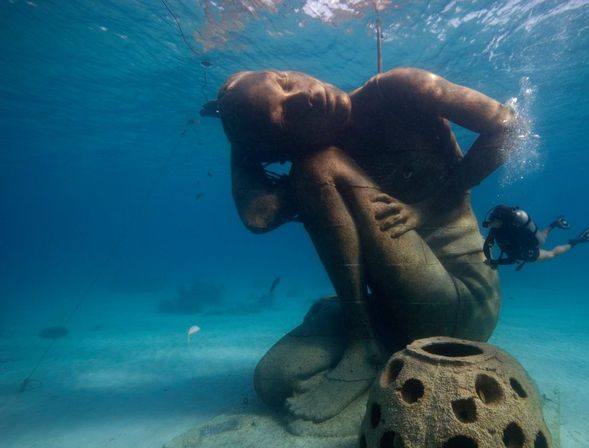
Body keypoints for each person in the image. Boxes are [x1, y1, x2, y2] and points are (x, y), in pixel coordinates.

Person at [205, 68, 516, 422]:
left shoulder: (397, 90)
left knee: (317, 167)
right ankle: (371, 352)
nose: (304, 97)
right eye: (287, 117)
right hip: (396, 312)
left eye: (286, 82)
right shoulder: (320, 154)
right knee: (274, 380)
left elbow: (508, 124)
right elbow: (258, 216)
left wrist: (425, 208)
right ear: (286, 144)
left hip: (461, 303)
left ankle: (361, 342)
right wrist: (241, 128)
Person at [481, 205, 589, 271]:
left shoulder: (515, 231)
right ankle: (554, 224)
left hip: (527, 251)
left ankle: (576, 242)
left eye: (493, 220)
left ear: (501, 220)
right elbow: (487, 245)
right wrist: (491, 259)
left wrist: (495, 262)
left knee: (551, 254)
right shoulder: (496, 229)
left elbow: (513, 259)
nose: (490, 222)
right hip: (526, 242)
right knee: (542, 239)